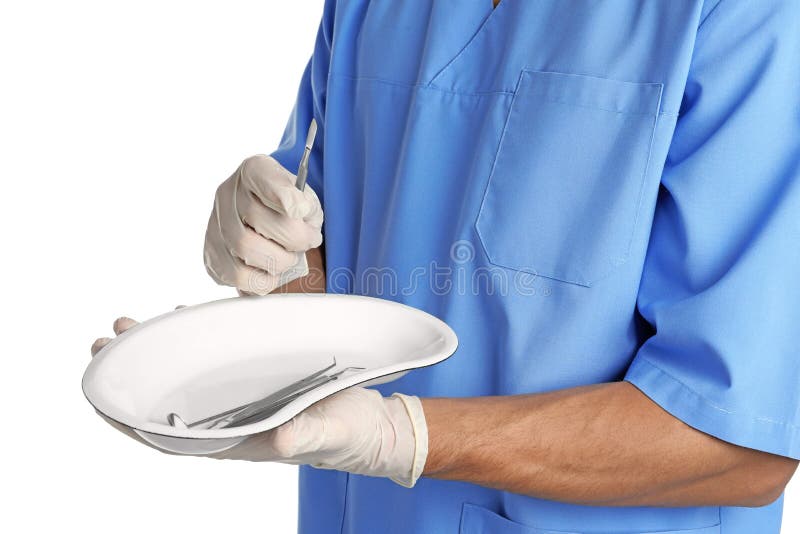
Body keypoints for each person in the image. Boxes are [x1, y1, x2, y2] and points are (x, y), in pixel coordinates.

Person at [92, 1, 800, 532]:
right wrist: (267, 247)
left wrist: (402, 438)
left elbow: (743, 438)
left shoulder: (743, 16)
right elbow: (324, 257)